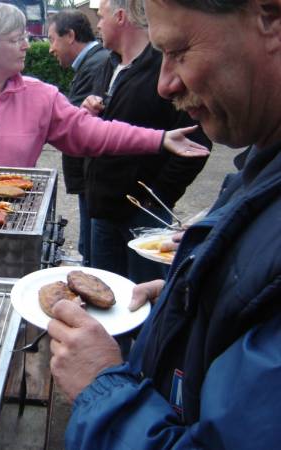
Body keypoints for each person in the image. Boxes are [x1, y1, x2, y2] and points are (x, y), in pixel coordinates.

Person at [48, 0, 281, 448]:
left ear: (270, 18)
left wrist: (101, 387)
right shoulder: (262, 163)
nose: (165, 83)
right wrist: (192, 297)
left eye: (178, 50)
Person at [0, 2, 209, 168]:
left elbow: (92, 133)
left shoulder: (40, 95)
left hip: (10, 218)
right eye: (16, 39)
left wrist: (158, 139)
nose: (26, 46)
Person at [79, 0, 210, 283]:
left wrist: (156, 197)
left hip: (141, 217)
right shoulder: (107, 64)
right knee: (105, 293)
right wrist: (89, 111)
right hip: (102, 210)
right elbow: (101, 130)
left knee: (145, 295)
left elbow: (196, 143)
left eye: (101, 17)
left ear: (121, 17)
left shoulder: (164, 69)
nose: (97, 25)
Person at [47, 9, 109, 266]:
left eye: (52, 39)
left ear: (70, 35)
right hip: (88, 176)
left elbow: (72, 122)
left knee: (93, 253)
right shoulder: (93, 62)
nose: (50, 48)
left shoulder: (97, 64)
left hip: (91, 175)